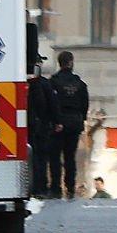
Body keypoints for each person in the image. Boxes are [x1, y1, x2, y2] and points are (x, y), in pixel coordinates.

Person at [50, 51, 90, 199]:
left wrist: (55, 121)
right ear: (71, 62)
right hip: (74, 122)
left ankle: (55, 187)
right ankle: (70, 187)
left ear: (59, 63)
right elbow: (85, 103)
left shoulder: (53, 82)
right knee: (70, 157)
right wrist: (82, 119)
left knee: (55, 156)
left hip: (57, 123)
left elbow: (51, 103)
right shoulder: (79, 83)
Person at [27, 58, 64, 199]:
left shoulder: (25, 83)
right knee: (42, 157)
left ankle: (33, 187)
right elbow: (53, 105)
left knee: (32, 157)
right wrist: (57, 121)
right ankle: (41, 187)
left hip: (28, 125)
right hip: (42, 126)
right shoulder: (45, 84)